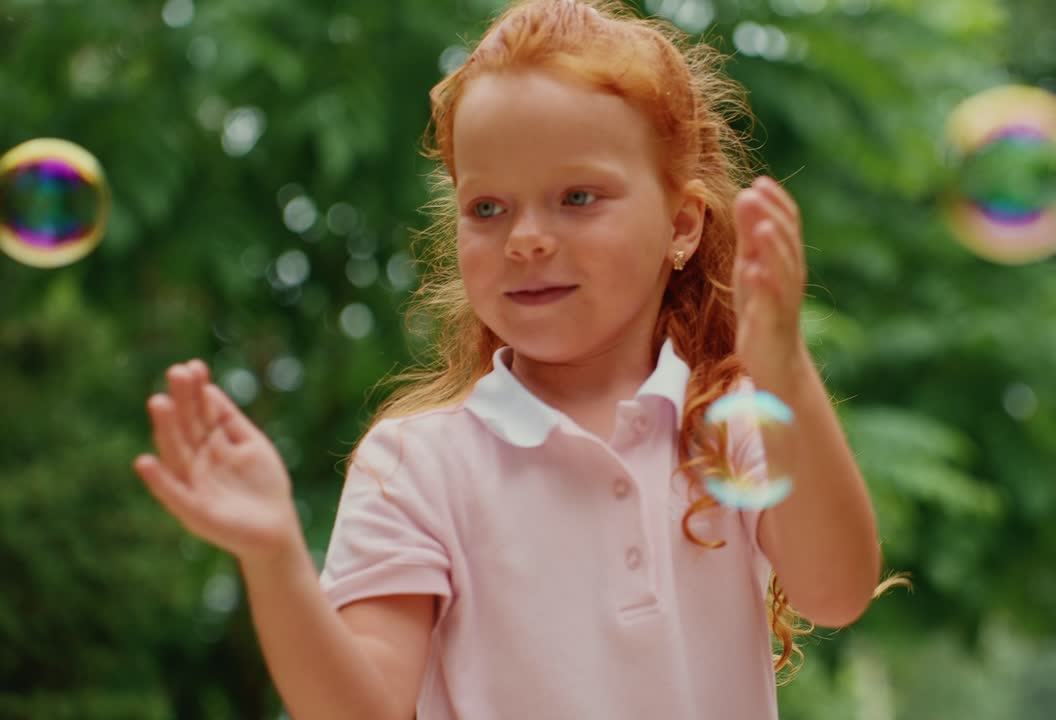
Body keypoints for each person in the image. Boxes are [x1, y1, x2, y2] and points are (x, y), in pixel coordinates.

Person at [133, 0, 892, 717]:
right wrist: (273, 556)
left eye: (578, 198)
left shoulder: (731, 426)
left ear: (683, 225)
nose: (525, 237)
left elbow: (837, 592)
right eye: (487, 208)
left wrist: (784, 369)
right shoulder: (417, 466)